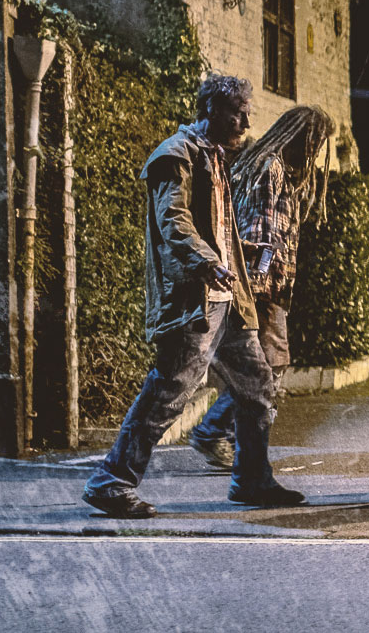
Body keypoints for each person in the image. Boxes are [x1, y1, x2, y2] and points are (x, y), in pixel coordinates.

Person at [82, 75, 305, 518]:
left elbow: (214, 226)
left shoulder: (215, 158)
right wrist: (208, 261)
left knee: (256, 386)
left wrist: (241, 249)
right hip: (196, 299)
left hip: (227, 299)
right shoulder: (175, 155)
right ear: (211, 110)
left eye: (246, 110)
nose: (246, 119)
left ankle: (251, 480)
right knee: (170, 389)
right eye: (238, 111)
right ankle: (110, 482)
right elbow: (175, 222)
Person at [187, 105, 334, 469]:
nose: (316, 152)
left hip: (263, 287)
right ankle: (223, 438)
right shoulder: (271, 169)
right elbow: (261, 232)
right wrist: (261, 291)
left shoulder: (271, 166)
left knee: (262, 370)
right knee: (267, 370)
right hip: (261, 289)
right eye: (315, 142)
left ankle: (237, 444)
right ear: (301, 138)